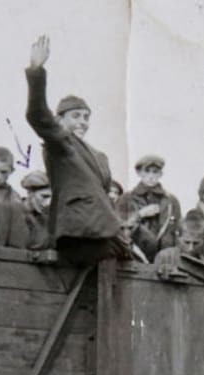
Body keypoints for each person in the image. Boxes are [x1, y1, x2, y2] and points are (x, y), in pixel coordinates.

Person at [25, 35, 129, 263]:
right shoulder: (61, 143)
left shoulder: (98, 156)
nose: (83, 122)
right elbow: (37, 115)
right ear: (59, 120)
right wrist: (36, 71)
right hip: (77, 231)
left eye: (86, 117)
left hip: (100, 230)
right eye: (76, 116)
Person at [114, 154, 184, 262]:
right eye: (147, 171)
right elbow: (119, 231)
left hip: (164, 263)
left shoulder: (171, 201)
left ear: (161, 174)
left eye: (155, 172)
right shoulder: (126, 199)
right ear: (139, 173)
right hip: (133, 260)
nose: (151, 176)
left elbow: (178, 233)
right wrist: (139, 214)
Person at [18, 170, 53, 250]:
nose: (48, 202)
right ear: (30, 194)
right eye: (44, 196)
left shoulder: (50, 217)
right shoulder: (18, 213)